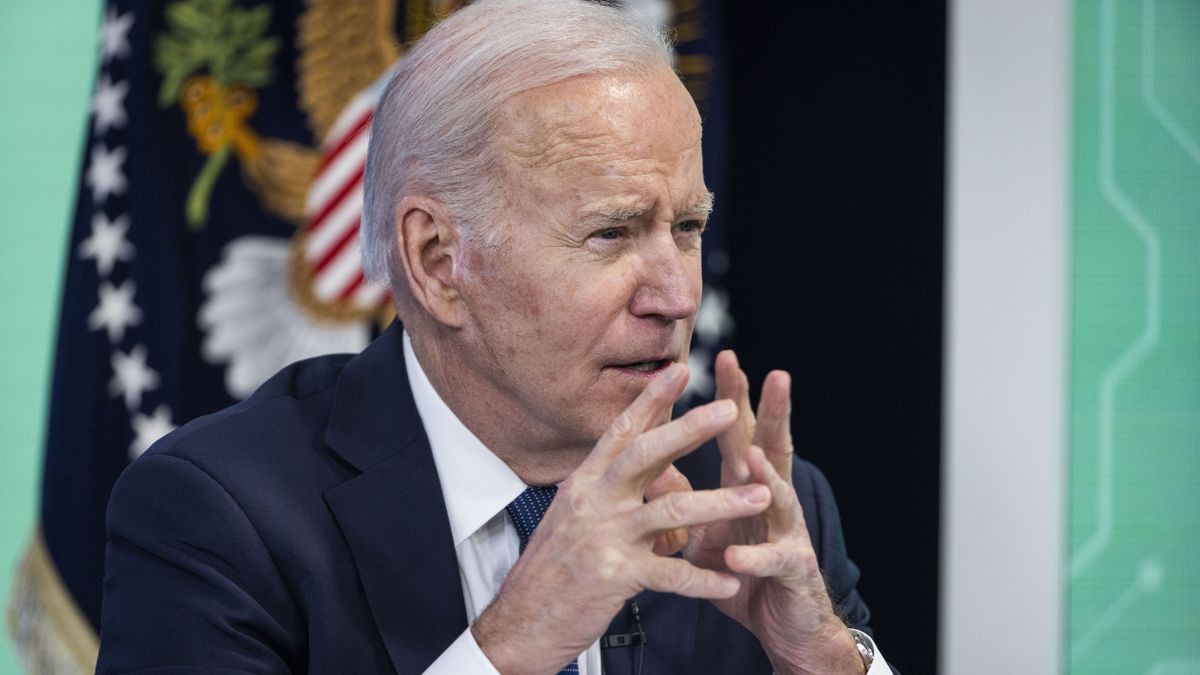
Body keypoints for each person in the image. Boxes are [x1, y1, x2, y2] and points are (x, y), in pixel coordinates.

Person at [97, 0, 895, 672]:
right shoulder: (220, 515)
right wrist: (511, 644)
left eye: (687, 226)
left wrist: (823, 655)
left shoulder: (751, 506)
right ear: (438, 260)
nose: (677, 293)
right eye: (612, 233)